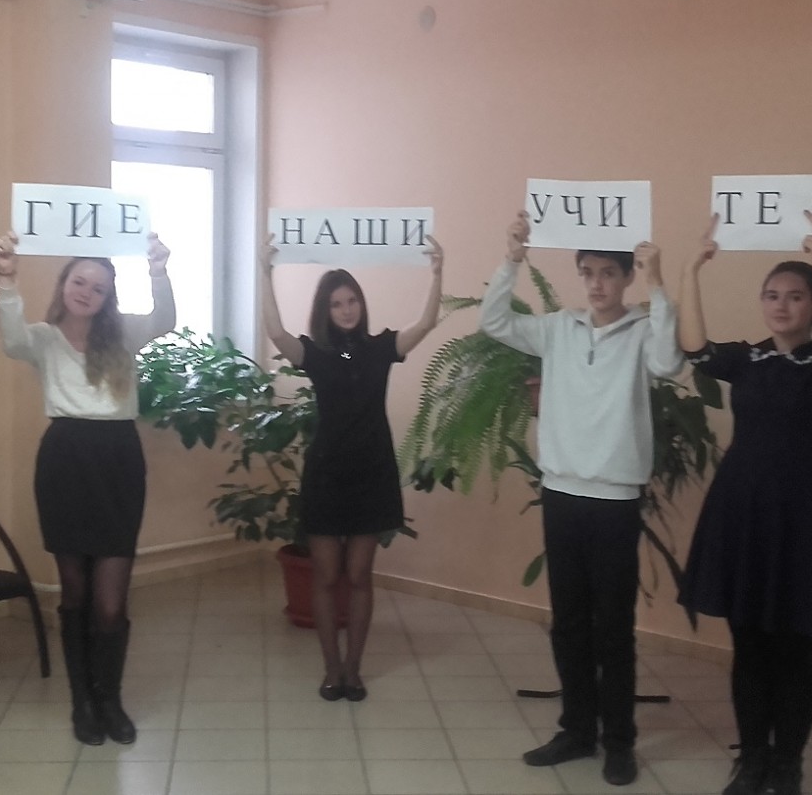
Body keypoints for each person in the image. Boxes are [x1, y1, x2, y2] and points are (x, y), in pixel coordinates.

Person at [480, 210, 684, 786]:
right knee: (568, 622)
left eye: (609, 273)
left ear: (627, 278)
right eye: (588, 272)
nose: (597, 284)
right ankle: (576, 730)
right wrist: (512, 257)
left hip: (615, 499)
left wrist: (659, 282)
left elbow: (669, 362)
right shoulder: (557, 328)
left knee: (613, 627)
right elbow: (494, 321)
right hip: (562, 493)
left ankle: (619, 741)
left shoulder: (643, 330)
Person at [676, 212, 812, 795]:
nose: (782, 305)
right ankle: (753, 759)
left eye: (795, 296)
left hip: (805, 516)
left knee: (793, 649)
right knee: (749, 648)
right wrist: (691, 270)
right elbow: (693, 347)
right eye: (772, 296)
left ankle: (788, 762)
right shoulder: (747, 359)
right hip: (742, 512)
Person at [0, 232, 174, 747]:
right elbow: (9, 339)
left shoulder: (124, 334)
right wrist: (7, 279)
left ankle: (109, 698)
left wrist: (158, 270)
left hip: (118, 461)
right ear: (64, 285)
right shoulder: (43, 338)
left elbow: (165, 320)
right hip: (65, 462)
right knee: (75, 591)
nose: (87, 292)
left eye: (98, 287)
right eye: (79, 281)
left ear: (108, 295)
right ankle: (82, 703)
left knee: (110, 601)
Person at [259, 234, 444, 701]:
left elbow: (426, 323)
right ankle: (331, 669)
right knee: (325, 577)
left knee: (359, 576)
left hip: (372, 473)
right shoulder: (317, 353)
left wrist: (437, 273)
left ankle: (354, 670)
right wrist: (265, 272)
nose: (346, 309)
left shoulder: (381, 347)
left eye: (352, 301)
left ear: (361, 304)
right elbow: (276, 332)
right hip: (326, 474)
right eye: (337, 303)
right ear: (326, 309)